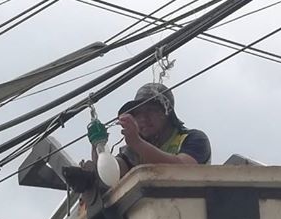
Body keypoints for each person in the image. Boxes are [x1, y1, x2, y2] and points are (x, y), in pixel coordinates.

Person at [63, 82, 211, 194]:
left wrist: (137, 143)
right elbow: (112, 174)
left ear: (166, 113)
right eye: (137, 114)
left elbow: (185, 168)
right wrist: (99, 146)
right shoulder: (133, 152)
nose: (143, 119)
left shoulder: (193, 138)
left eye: (151, 111)